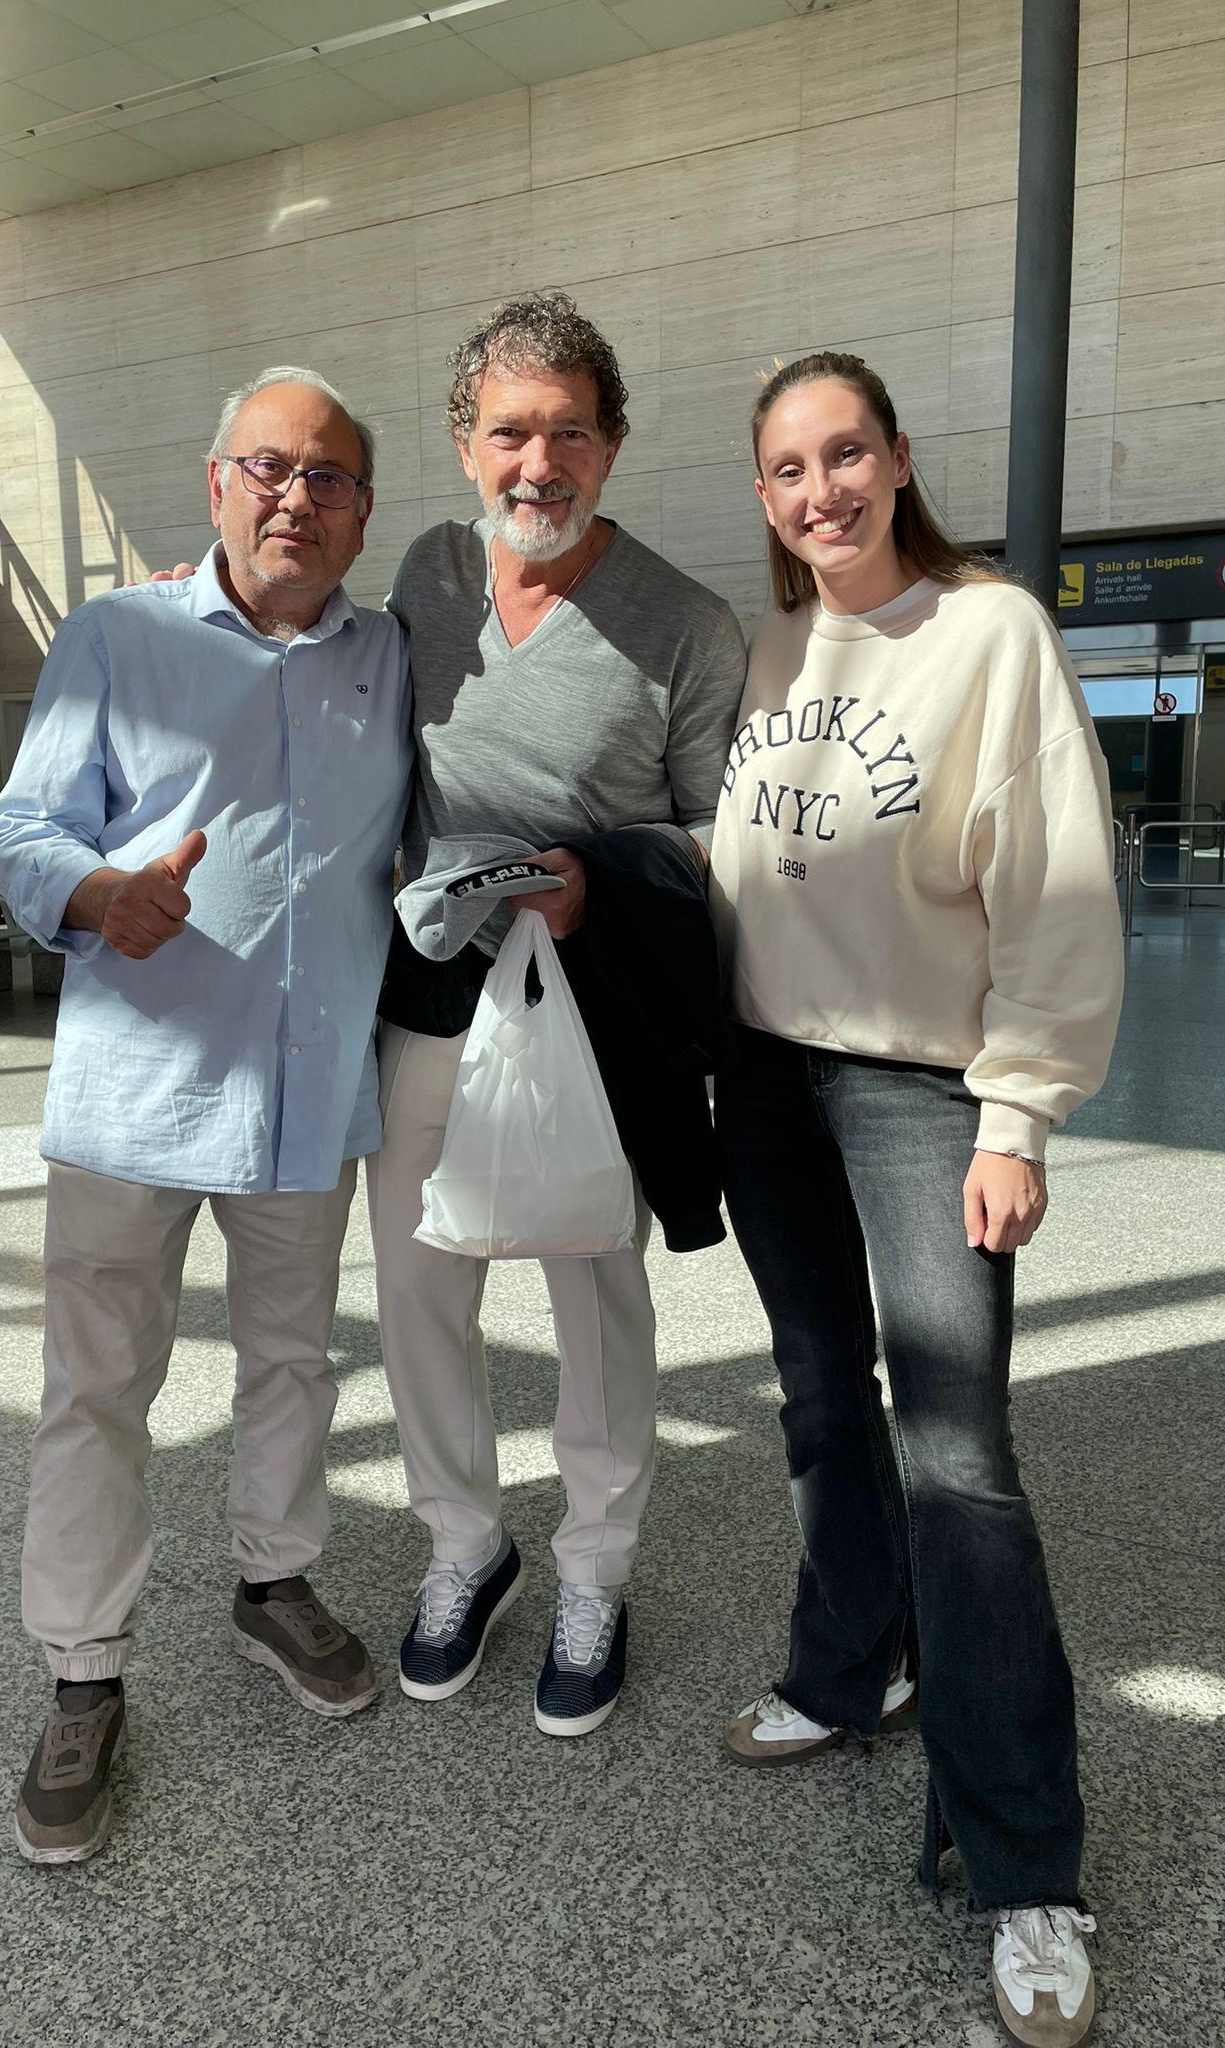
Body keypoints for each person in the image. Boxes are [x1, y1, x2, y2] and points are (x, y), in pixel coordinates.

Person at [709, 352, 1122, 2048]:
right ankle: (847, 1666)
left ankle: (1027, 1863)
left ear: (896, 460)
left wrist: (1016, 1115)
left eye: (847, 455)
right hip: (764, 1084)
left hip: (915, 1089)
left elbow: (1057, 887)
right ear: (764, 495)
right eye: (790, 470)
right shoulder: (763, 648)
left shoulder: (990, 631)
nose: (822, 492)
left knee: (960, 1457)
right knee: (819, 1401)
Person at [0, 368, 412, 1864]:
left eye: (332, 478)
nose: (299, 496)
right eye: (271, 468)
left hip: (306, 1096)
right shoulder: (118, 636)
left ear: (363, 511)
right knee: (97, 1388)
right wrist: (101, 891)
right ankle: (82, 1673)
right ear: (217, 481)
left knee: (293, 1361)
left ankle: (273, 1583)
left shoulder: (389, 656)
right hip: (135, 1097)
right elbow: (19, 829)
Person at [374, 292, 747, 1736]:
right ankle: (465, 1546)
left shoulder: (686, 625)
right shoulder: (424, 579)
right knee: (420, 1292)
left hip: (597, 1009)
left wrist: (605, 879)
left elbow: (725, 839)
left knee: (595, 1295)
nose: (541, 462)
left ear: (614, 442)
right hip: (431, 992)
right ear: (466, 446)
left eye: (570, 431)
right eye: (510, 431)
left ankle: (597, 1569)